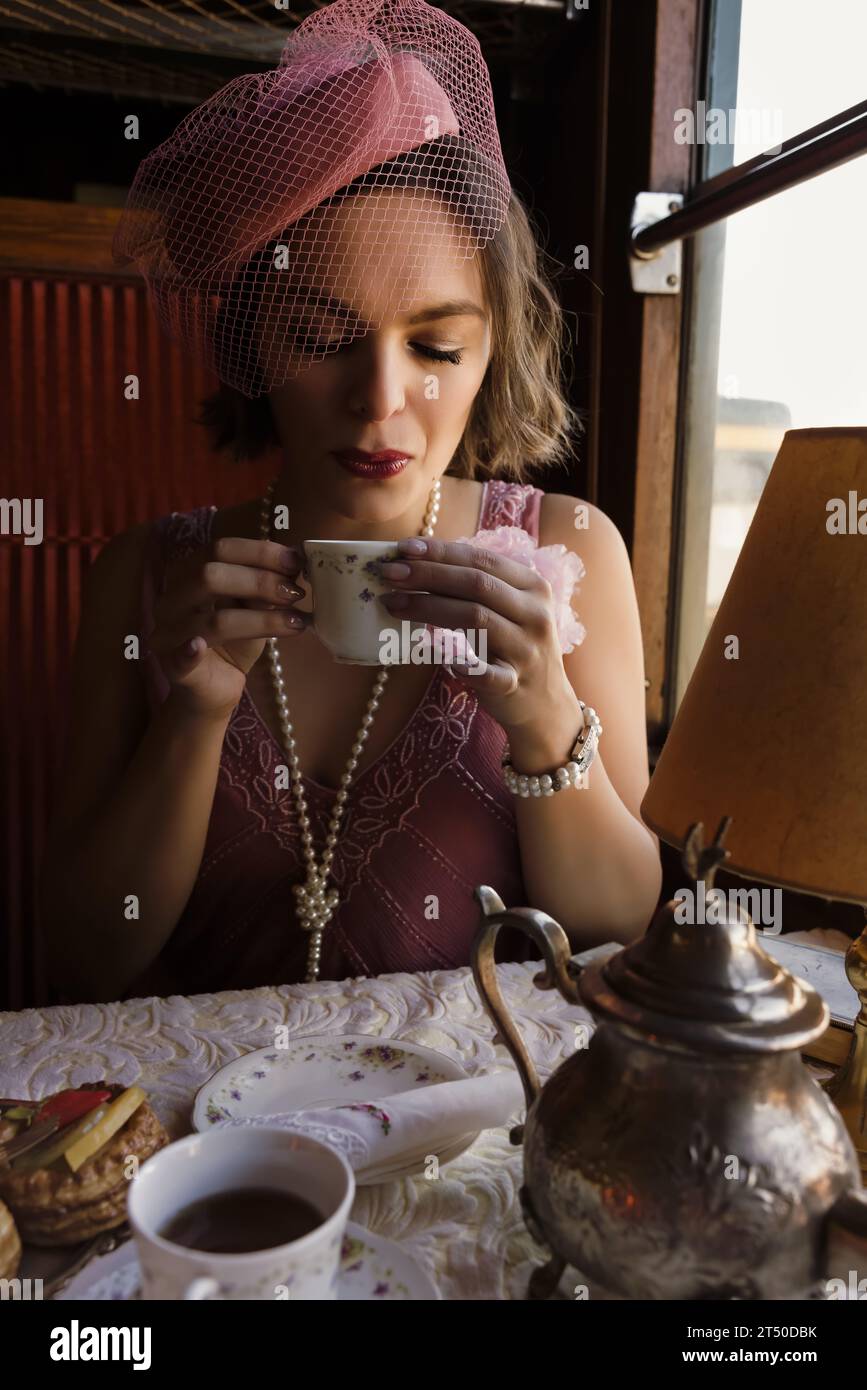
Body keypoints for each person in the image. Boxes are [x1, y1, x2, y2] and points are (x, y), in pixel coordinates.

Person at [40, 0, 662, 1004]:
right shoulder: (148, 575)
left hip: (466, 1139)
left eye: (436, 348)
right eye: (321, 336)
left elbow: (616, 934)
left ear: (493, 349)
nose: (381, 400)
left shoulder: (567, 546)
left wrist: (547, 724)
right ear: (250, 351)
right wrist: (197, 712)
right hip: (225, 1148)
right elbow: (80, 954)